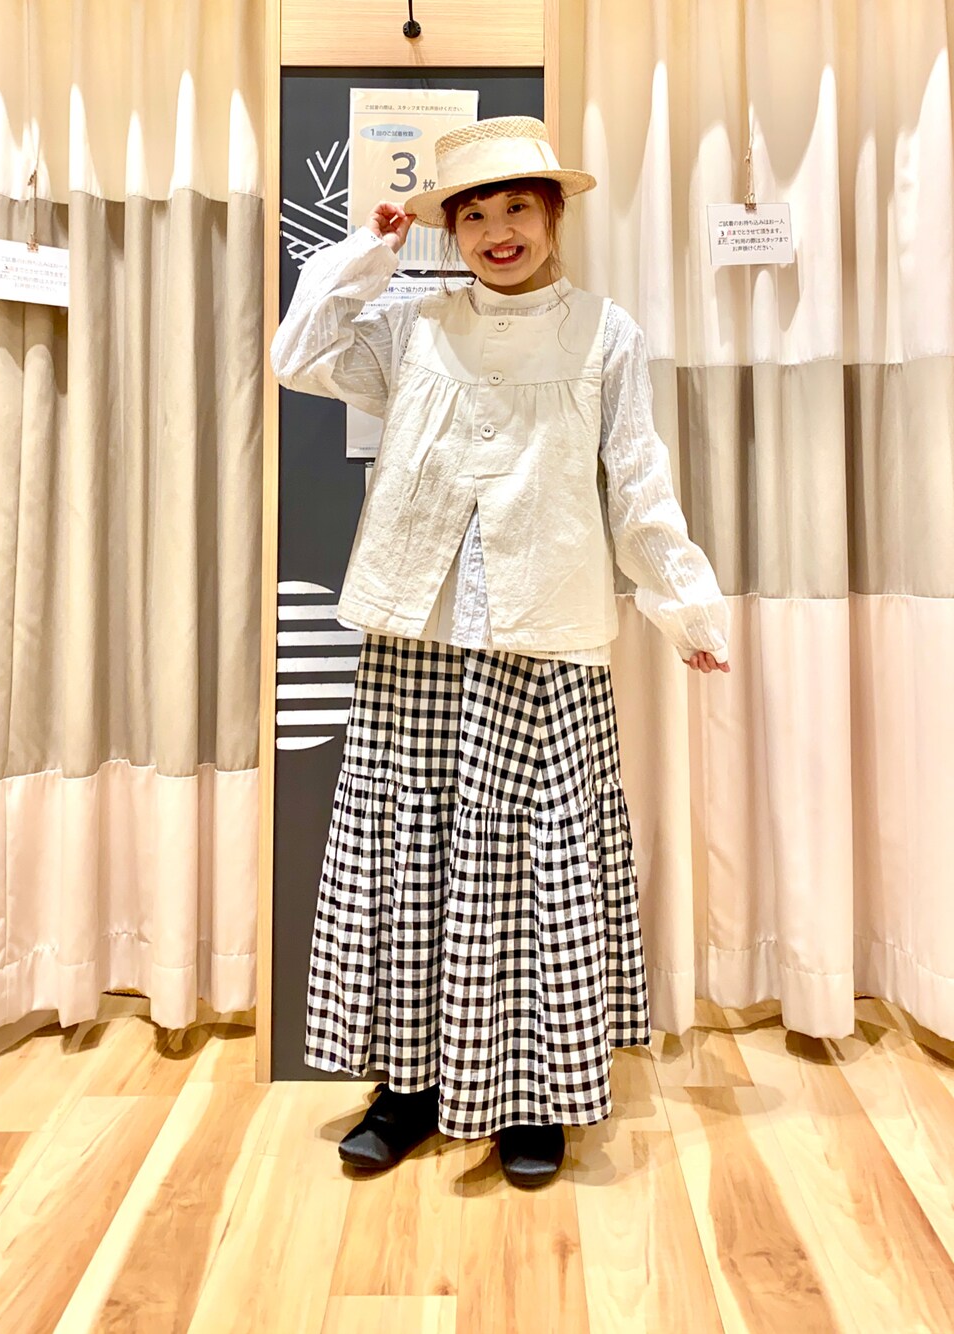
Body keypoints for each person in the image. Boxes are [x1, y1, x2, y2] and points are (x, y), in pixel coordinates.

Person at [270, 116, 730, 1188]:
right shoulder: (413, 325)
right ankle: (408, 1089)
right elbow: (297, 357)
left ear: (554, 214)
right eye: (472, 214)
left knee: (535, 865)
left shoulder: (607, 334)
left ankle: (535, 1098)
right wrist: (370, 253)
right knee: (412, 859)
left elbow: (638, 481)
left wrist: (684, 606)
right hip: (418, 633)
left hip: (545, 634)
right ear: (452, 230)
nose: (496, 230)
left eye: (517, 206)